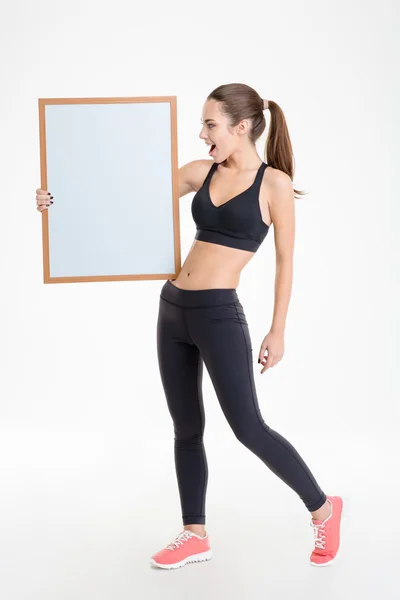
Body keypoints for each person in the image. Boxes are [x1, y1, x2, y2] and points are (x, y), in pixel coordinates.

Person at [35, 83, 343, 570]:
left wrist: (276, 330)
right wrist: (59, 202)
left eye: (210, 125)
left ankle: (324, 508)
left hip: (220, 315)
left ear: (241, 127)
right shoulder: (201, 172)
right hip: (172, 308)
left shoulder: (274, 185)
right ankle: (194, 533)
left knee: (248, 428)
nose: (201, 135)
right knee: (186, 429)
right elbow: (126, 198)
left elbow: (286, 262)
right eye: (202, 125)